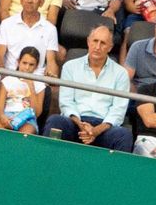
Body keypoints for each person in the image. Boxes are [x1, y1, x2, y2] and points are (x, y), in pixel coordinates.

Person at [44, 24, 133, 152]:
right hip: (76, 122)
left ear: (110, 47)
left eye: (103, 43)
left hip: (104, 127)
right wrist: (80, 125)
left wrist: (96, 131)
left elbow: (118, 110)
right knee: (55, 122)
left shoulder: (120, 73)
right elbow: (66, 102)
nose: (97, 47)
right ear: (88, 42)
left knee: (124, 136)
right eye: (95, 41)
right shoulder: (70, 67)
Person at [0, 0, 60, 74]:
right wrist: (2, 77)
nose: (29, 0)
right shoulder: (6, 24)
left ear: (41, 3)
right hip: (10, 76)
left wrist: (51, 81)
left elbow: (51, 62)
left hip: (37, 80)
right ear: (21, 0)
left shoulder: (50, 29)